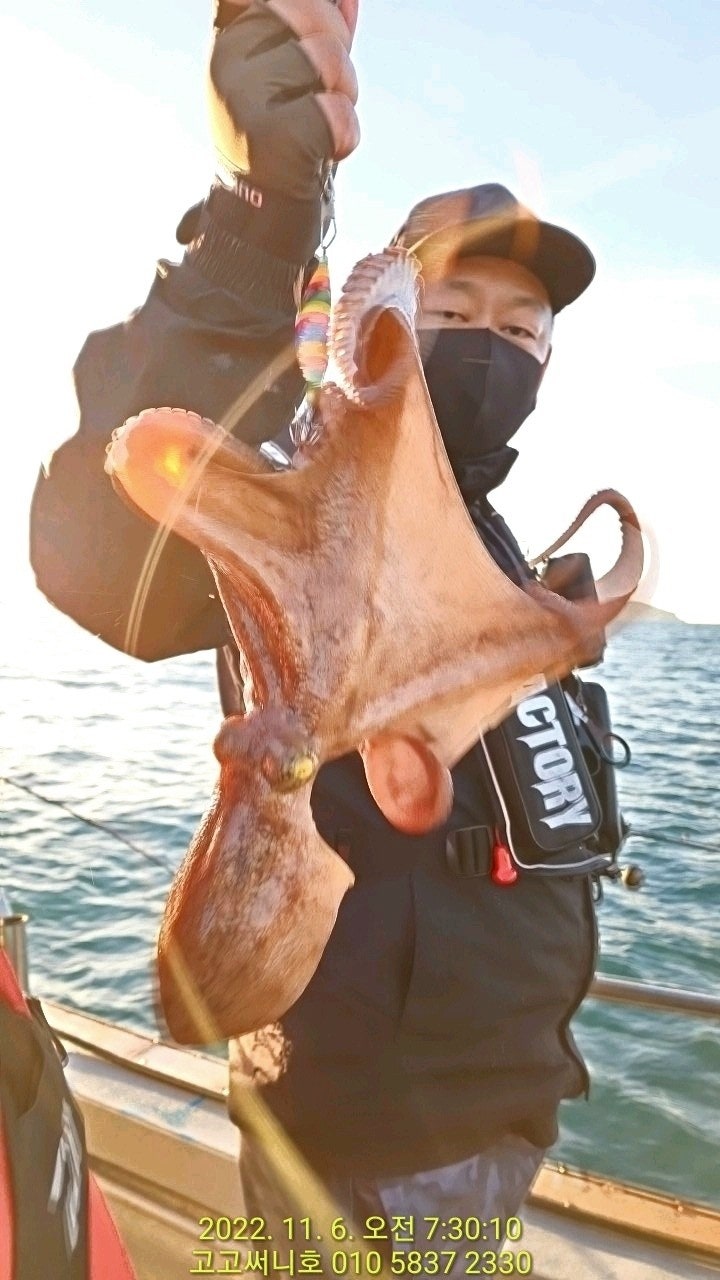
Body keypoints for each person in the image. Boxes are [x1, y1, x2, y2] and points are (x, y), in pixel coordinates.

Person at [30, 0, 627, 1269]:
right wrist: (262, 223)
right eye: (455, 309)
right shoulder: (291, 512)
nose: (494, 345)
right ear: (390, 319)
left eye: (524, 328)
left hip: (504, 1121)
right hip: (360, 1143)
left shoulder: (504, 565)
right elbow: (98, 556)